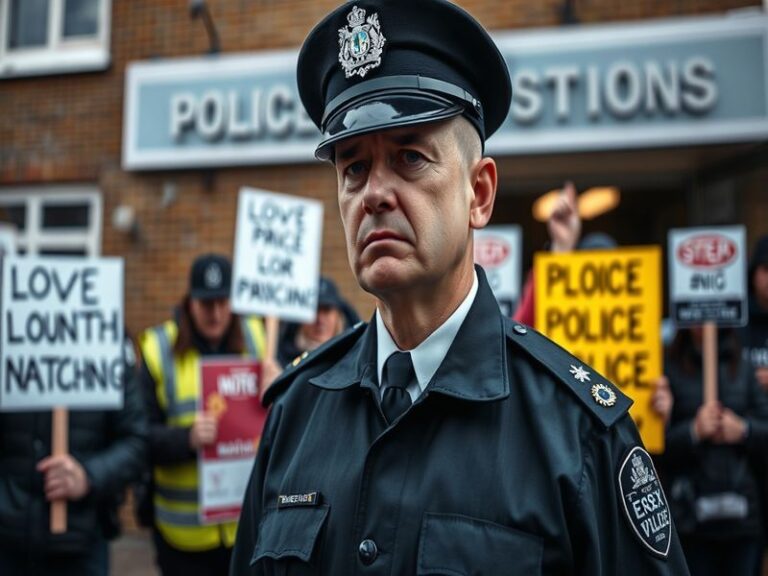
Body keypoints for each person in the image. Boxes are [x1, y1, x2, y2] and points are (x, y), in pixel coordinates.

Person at [231, 1, 690, 573]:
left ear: (479, 193)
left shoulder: (578, 434)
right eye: (353, 168)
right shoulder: (295, 412)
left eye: (409, 158)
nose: (373, 193)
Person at [139, 253, 278, 576]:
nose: (215, 313)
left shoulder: (261, 339)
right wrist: (185, 438)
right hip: (183, 538)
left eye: (222, 302)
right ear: (189, 303)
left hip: (246, 530)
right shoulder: (158, 349)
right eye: (205, 304)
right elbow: (137, 437)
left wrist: (281, 385)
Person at [0, 334, 148, 575]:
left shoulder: (108, 340)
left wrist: (88, 476)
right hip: (8, 541)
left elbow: (136, 441)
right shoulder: (8, 337)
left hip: (83, 543)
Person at [664, 327, 768, 575]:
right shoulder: (668, 369)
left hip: (743, 518)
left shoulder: (743, 367)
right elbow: (657, 447)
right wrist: (694, 431)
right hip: (691, 519)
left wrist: (743, 430)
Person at [276, 276, 360, 367]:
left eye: (327, 310)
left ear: (339, 316)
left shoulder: (357, 361)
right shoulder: (279, 361)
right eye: (313, 311)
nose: (320, 320)